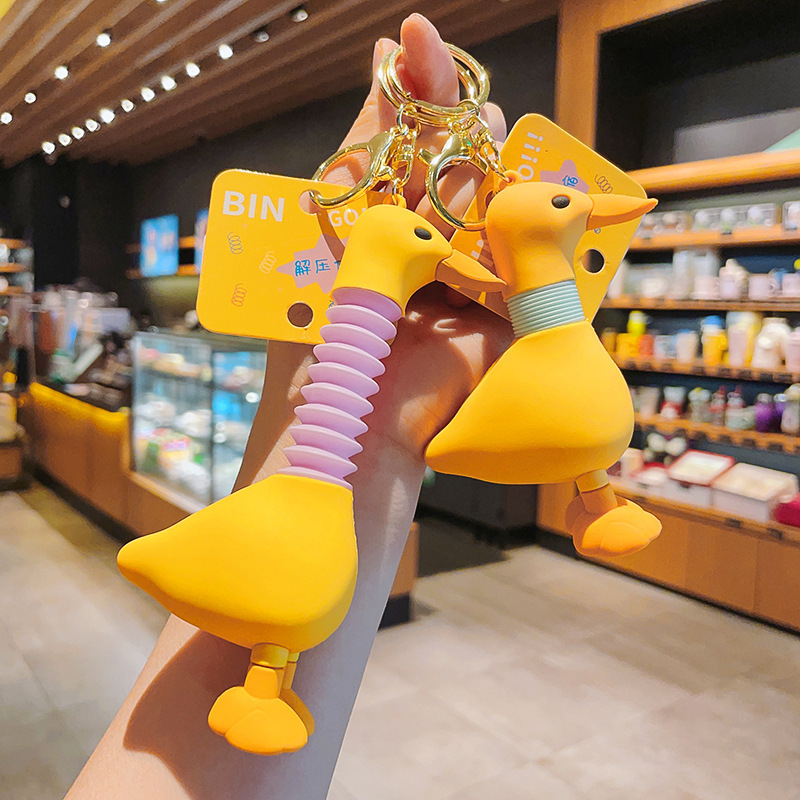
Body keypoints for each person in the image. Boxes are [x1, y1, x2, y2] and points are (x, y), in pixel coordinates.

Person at [66, 14, 511, 800]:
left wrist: (389, 434)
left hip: (318, 489)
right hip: (302, 504)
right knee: (301, 583)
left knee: (302, 584)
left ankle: (268, 677)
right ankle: (268, 677)